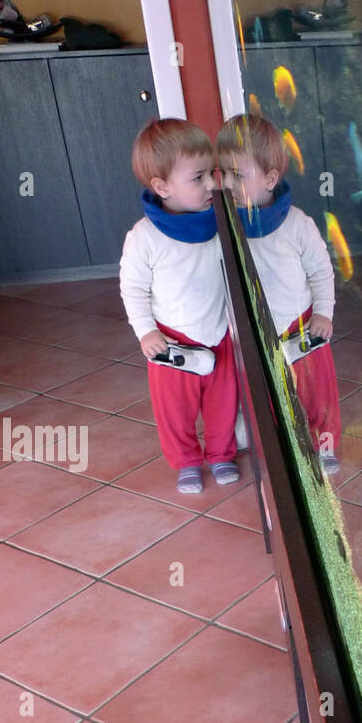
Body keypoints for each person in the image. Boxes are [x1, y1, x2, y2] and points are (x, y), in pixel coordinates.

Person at [216, 114, 342, 474]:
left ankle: (325, 444)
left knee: (319, 395)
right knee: (264, 397)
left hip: (300, 327)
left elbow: (320, 270)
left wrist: (324, 313)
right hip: (253, 333)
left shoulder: (298, 224)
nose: (227, 182)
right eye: (222, 172)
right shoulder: (223, 223)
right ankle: (274, 446)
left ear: (270, 179)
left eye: (237, 175)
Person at [120, 118, 239, 494]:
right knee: (175, 410)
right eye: (198, 178)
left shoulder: (218, 221)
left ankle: (221, 453)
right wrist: (146, 332)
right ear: (162, 187)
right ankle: (186, 461)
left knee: (223, 402)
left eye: (211, 175)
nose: (211, 185)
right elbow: (133, 289)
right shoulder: (145, 237)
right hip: (172, 342)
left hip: (218, 333)